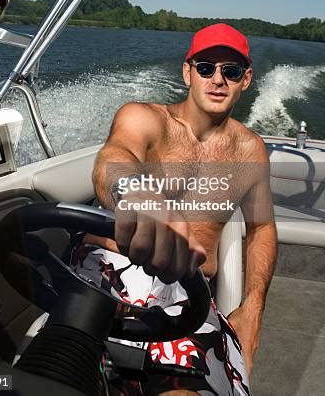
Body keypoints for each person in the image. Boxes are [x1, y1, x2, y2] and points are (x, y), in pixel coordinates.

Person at [72, 22, 278, 395]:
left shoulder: (251, 150)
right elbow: (115, 158)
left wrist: (252, 311)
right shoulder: (145, 118)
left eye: (230, 71)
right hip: (110, 274)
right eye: (206, 68)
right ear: (187, 71)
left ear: (246, 80)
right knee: (62, 371)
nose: (218, 79)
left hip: (188, 294)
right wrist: (138, 195)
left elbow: (262, 228)